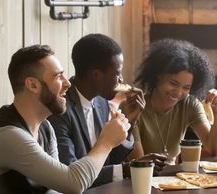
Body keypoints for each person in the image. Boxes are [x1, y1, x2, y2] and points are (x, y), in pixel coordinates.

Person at [0, 44, 130, 194]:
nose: (68, 83)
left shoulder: (45, 128)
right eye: (58, 76)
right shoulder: (7, 136)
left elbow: (55, 189)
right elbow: (73, 184)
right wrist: (106, 142)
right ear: (33, 85)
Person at [47, 34, 166, 186]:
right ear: (97, 75)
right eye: (117, 73)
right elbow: (71, 174)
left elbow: (108, 160)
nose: (122, 80)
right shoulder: (60, 110)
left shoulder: (101, 102)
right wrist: (127, 169)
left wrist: (129, 120)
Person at [127, 39, 217, 164]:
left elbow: (213, 148)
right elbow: (139, 164)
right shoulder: (134, 107)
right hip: (140, 179)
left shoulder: (189, 104)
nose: (179, 93)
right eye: (173, 83)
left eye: (186, 88)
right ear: (158, 76)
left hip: (173, 180)